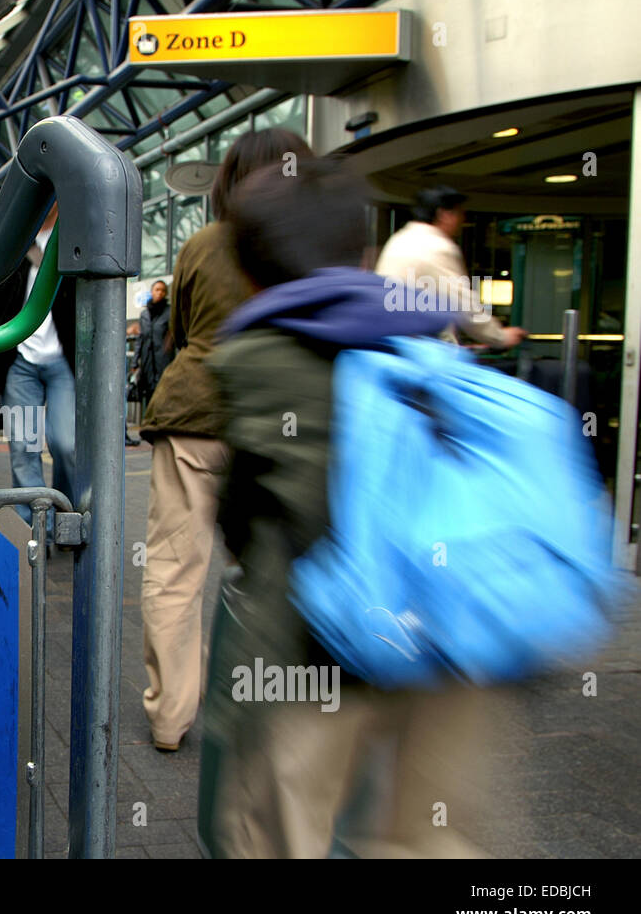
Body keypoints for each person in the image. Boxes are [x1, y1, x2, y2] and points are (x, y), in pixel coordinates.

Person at [200, 157, 494, 858]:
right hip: (448, 647)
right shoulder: (423, 335)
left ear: (248, 274)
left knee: (273, 831)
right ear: (361, 252)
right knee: (423, 834)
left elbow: (240, 513)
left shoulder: (257, 354)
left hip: (316, 652)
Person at [137, 128, 311, 753]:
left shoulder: (203, 243)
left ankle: (170, 717)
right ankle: (269, 710)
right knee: (272, 571)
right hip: (277, 421)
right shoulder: (309, 245)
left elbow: (179, 334)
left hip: (192, 415)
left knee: (175, 570)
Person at [0, 206, 76, 532]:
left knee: (66, 444)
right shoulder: (14, 239)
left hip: (63, 358)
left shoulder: (75, 234)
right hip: (20, 360)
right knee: (24, 447)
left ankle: (64, 518)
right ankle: (34, 529)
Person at [375, 185, 525, 349]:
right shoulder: (436, 246)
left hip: (392, 343)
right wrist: (500, 336)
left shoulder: (399, 240)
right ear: (444, 215)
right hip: (419, 349)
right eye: (460, 213)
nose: (463, 219)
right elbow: (463, 304)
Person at [135, 280, 172, 401]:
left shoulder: (169, 312)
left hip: (163, 362)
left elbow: (173, 337)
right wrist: (135, 362)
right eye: (157, 290)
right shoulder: (144, 314)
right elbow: (140, 339)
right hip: (147, 363)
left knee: (163, 395)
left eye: (163, 290)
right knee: (148, 396)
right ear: (152, 292)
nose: (160, 293)